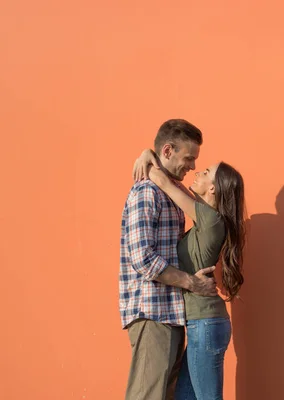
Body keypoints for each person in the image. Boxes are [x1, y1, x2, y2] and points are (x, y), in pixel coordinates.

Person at [132, 149, 246, 400]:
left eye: (205, 173)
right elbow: (172, 183)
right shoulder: (206, 218)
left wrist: (145, 157)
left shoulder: (211, 220)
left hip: (205, 323)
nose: (197, 171)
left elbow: (163, 181)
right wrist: (148, 153)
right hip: (201, 323)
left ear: (213, 189)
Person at [120, 119, 218, 400]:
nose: (191, 167)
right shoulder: (146, 192)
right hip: (152, 313)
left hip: (170, 312)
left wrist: (147, 156)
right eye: (188, 159)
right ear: (167, 150)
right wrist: (192, 283)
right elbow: (142, 259)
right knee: (147, 395)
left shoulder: (167, 190)